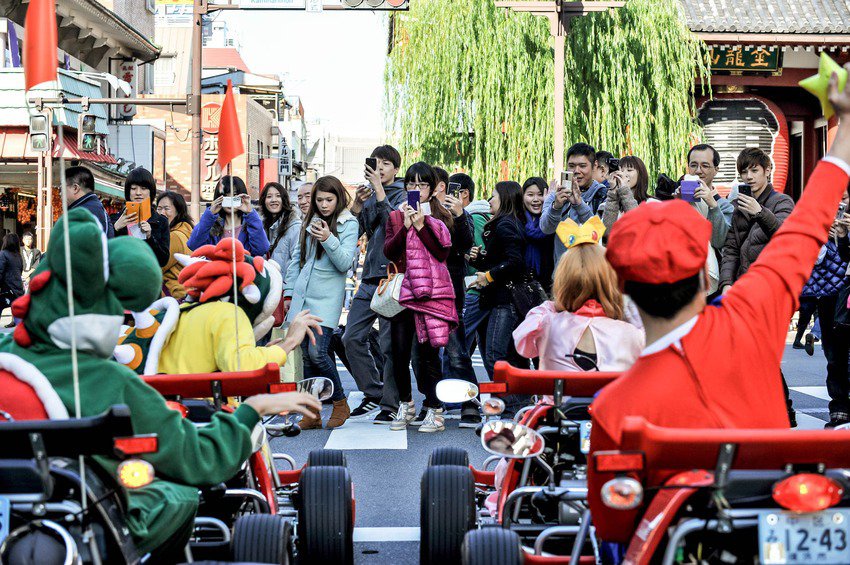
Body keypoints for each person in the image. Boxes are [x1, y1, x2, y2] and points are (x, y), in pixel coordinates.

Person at [587, 70, 850, 548]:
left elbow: (614, 527)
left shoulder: (613, 410)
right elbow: (811, 219)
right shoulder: (751, 313)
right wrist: (846, 123)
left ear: (619, 290)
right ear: (705, 276)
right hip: (776, 519)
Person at [0, 207, 324, 560]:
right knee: (179, 494)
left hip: (20, 496)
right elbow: (202, 452)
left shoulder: (178, 311)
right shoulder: (106, 380)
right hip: (88, 498)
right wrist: (254, 405)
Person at [383, 162, 457, 433]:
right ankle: (406, 404)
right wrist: (404, 226)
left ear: (431, 188)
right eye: (411, 184)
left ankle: (435, 409)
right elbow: (389, 252)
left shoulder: (440, 215)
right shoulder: (395, 216)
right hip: (404, 291)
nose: (416, 190)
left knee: (428, 356)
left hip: (430, 293)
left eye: (422, 184)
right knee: (399, 352)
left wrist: (422, 225)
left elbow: (442, 253)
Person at [514, 217, 643, 372]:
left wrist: (557, 303)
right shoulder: (632, 335)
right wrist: (624, 307)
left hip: (559, 396)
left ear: (562, 282)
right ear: (611, 282)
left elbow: (523, 345)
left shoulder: (545, 324)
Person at [284, 176, 358, 429]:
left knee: (318, 352)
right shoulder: (310, 220)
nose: (324, 205)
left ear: (338, 199)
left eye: (329, 199)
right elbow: (297, 259)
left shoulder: (348, 223)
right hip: (303, 295)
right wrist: (288, 292)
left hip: (327, 298)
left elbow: (345, 263)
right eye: (320, 200)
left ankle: (340, 403)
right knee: (305, 355)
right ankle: (312, 411)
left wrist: (328, 238)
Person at [343, 145, 407, 423]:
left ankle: (391, 405)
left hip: (392, 276)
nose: (379, 168)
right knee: (351, 337)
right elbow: (356, 233)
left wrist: (379, 190)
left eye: (385, 164)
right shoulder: (369, 194)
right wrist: (356, 206)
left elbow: (393, 222)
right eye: (375, 163)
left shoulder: (405, 194)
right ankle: (374, 391)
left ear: (395, 168)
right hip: (369, 276)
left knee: (389, 345)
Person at [433, 167, 480, 427]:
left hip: (450, 290)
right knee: (425, 354)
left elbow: (465, 244)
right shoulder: (420, 210)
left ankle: (470, 403)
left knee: (456, 351)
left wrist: (459, 214)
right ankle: (432, 403)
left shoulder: (461, 215)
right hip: (422, 288)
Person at [468, 181, 529, 379]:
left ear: (504, 198)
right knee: (502, 355)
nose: (489, 200)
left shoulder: (505, 224)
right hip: (498, 298)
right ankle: (512, 404)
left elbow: (515, 262)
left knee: (496, 355)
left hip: (505, 300)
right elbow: (499, 261)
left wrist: (488, 276)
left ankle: (511, 406)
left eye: (493, 195)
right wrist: (479, 260)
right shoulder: (507, 223)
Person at [804, 187, 850, 427]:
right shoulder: (819, 218)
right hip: (829, 296)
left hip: (846, 291)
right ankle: (839, 407)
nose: (839, 205)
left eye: (843, 198)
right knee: (834, 355)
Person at [540, 143, 607, 263]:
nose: (577, 171)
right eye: (571, 166)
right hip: (564, 273)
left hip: (593, 272)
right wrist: (556, 207)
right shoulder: (556, 195)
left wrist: (579, 205)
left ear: (594, 166)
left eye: (582, 166)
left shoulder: (603, 195)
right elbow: (545, 228)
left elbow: (601, 233)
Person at [685, 144, 734, 297]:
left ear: (716, 169)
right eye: (694, 165)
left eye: (705, 165)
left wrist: (712, 205)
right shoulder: (679, 197)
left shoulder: (724, 206)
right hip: (681, 279)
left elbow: (719, 241)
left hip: (709, 284)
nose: (698, 171)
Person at [187, 176, 270, 257]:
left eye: (235, 195)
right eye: (226, 195)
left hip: (243, 270)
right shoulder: (211, 225)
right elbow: (193, 245)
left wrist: (250, 213)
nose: (230, 199)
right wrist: (210, 215)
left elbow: (261, 249)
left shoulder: (251, 224)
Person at [458, 173, 492, 361]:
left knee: (458, 349)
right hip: (484, 289)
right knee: (487, 350)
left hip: (474, 289)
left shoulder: (472, 217)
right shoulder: (485, 214)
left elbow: (476, 254)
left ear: (463, 194)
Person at [111, 167, 171, 268]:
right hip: (121, 279)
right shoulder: (114, 219)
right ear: (128, 192)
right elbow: (103, 252)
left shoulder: (160, 221)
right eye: (133, 188)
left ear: (151, 192)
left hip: (148, 279)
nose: (138, 193)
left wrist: (150, 237)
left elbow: (163, 261)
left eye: (143, 188)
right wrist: (115, 228)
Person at [260, 181, 301, 304]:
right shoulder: (262, 227)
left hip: (285, 292)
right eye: (269, 196)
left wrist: (289, 293)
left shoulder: (294, 226)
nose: (274, 200)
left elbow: (297, 262)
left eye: (278, 196)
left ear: (284, 199)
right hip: (267, 290)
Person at [601, 155, 657, 234]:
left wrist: (624, 190)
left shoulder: (652, 204)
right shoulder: (609, 205)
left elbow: (639, 227)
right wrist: (613, 193)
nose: (623, 174)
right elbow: (606, 235)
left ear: (640, 174)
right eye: (621, 170)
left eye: (629, 170)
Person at [155, 191, 194, 301]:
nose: (162, 213)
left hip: (174, 298)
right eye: (159, 208)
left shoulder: (174, 236)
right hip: (184, 296)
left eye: (167, 208)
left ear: (178, 211)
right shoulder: (186, 231)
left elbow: (156, 267)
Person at [522, 177, 556, 292]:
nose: (536, 199)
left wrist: (550, 205)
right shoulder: (517, 220)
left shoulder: (554, 221)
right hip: (522, 286)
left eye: (540, 194)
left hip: (549, 285)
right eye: (530, 195)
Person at [65, 165, 114, 237]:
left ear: (75, 188)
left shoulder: (83, 213)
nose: (60, 193)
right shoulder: (94, 207)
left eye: (62, 188)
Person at [0, 233, 23, 326]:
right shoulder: (18, 255)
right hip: (17, 286)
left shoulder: (3, 254)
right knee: (16, 309)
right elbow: (20, 270)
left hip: (7, 287)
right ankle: (21, 331)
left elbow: (0, 271)